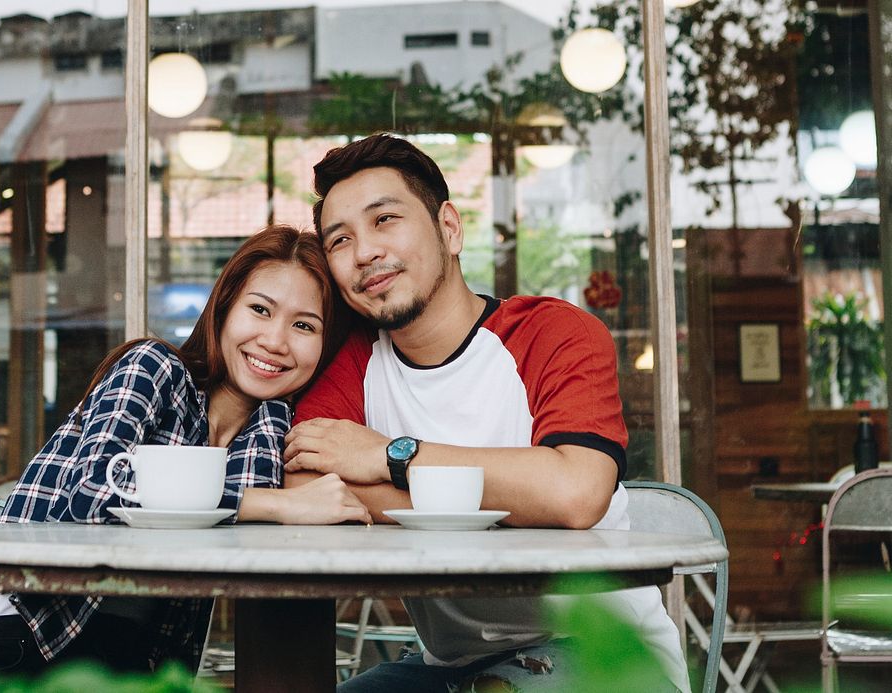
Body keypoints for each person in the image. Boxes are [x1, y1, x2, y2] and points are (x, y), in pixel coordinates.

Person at [282, 135, 690, 692]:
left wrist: (388, 456)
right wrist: (513, 495)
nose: (365, 252)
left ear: (449, 228)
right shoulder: (353, 359)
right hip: (448, 665)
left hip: (602, 653)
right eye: (340, 240)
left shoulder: (551, 334)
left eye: (385, 220)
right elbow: (307, 480)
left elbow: (575, 493)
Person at [0, 224, 370, 677]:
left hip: (132, 662)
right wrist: (277, 504)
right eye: (260, 310)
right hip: (23, 638)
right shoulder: (153, 367)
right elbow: (93, 497)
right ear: (223, 310)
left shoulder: (270, 429)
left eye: (304, 325)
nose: (275, 341)